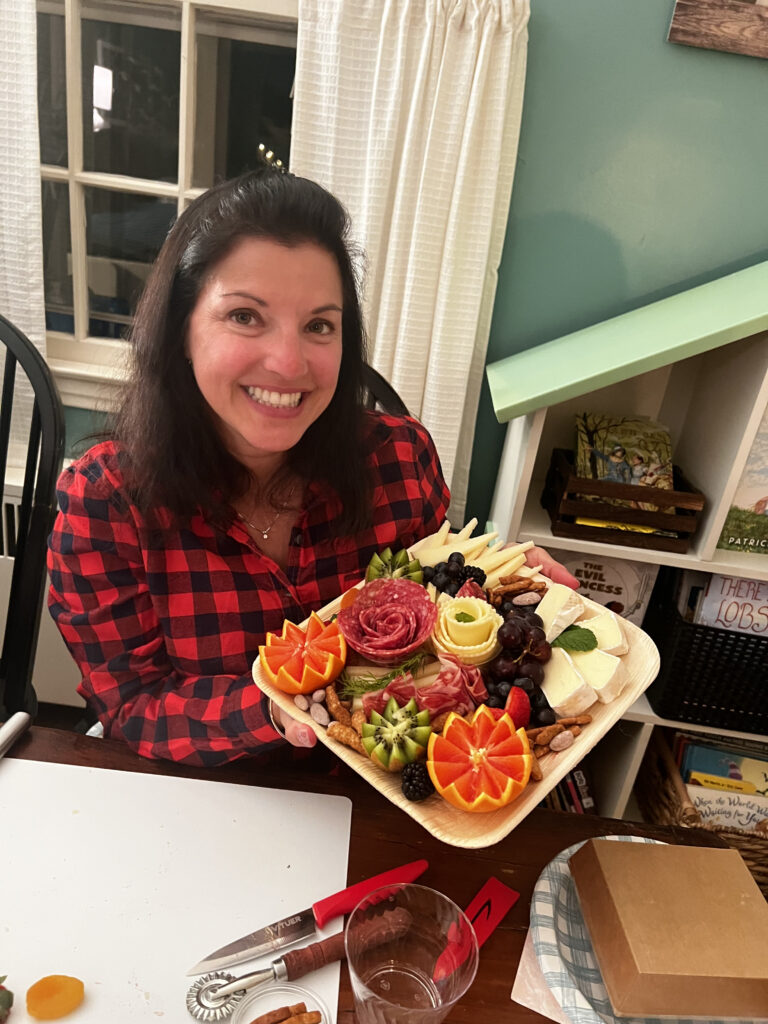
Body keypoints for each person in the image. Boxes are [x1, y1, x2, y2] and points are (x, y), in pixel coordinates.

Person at [47, 168, 577, 767]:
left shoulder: (400, 462)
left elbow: (439, 625)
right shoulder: (105, 500)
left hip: (383, 785)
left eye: (319, 325)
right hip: (199, 793)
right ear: (180, 333)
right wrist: (277, 706)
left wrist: (512, 601)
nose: (288, 361)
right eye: (245, 316)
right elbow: (135, 704)